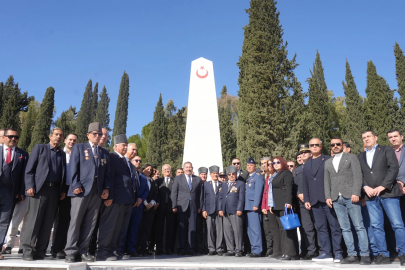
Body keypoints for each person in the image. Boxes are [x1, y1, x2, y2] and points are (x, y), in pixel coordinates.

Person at [64, 122, 111, 263]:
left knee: (90, 222)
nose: (97, 136)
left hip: (97, 190)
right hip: (81, 190)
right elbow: (73, 167)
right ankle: (71, 252)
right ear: (88, 135)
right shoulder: (79, 147)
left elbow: (107, 173)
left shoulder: (104, 152)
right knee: (76, 221)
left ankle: (83, 251)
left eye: (100, 134)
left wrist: (106, 188)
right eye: (95, 134)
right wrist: (75, 184)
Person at [358, 130, 405, 265]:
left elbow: (393, 168)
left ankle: (403, 253)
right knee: (376, 226)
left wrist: (383, 186)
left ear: (375, 137)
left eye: (368, 136)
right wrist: (365, 187)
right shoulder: (360, 156)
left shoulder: (386, 150)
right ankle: (383, 254)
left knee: (397, 224)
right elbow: (359, 175)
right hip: (370, 196)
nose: (366, 139)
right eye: (364, 138)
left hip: (388, 193)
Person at [22, 128, 66, 261]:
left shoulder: (62, 154)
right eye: (56, 134)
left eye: (60, 135)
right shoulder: (40, 148)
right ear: (50, 136)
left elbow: (63, 174)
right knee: (34, 221)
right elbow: (29, 170)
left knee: (47, 223)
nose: (58, 137)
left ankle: (40, 251)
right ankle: (28, 251)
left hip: (54, 191)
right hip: (39, 189)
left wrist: (63, 190)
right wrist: (30, 185)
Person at [324, 137, 370, 264]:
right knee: (345, 228)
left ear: (342, 145)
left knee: (359, 226)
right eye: (333, 144)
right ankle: (352, 255)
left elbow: (357, 176)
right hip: (336, 198)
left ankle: (365, 254)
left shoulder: (351, 157)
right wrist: (328, 196)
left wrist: (356, 192)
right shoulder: (328, 162)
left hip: (351, 196)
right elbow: (326, 181)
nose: (335, 146)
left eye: (338, 144)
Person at [95, 135, 137, 261]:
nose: (125, 147)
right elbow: (110, 177)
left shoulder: (125, 160)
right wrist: (110, 195)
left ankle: (113, 251)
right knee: (108, 226)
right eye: (123, 145)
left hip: (124, 200)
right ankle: (102, 251)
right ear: (116, 146)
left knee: (118, 228)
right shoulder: (112, 157)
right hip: (114, 199)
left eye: (126, 145)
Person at [302, 138, 342, 262]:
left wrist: (332, 195)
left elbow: (334, 180)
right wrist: (307, 199)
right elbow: (305, 183)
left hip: (328, 199)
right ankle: (326, 252)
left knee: (334, 226)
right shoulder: (307, 163)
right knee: (321, 227)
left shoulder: (328, 159)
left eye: (316, 145)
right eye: (312, 145)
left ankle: (338, 253)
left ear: (321, 146)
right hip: (314, 201)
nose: (314, 147)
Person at [0, 129, 28, 260]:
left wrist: (22, 192)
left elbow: (24, 175)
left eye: (16, 137)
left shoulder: (22, 154)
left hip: (10, 194)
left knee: (4, 223)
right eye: (10, 136)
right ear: (4, 137)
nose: (13, 139)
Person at [49, 133, 78, 259]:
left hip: (74, 189)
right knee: (58, 220)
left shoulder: (78, 155)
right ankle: (55, 248)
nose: (72, 142)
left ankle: (64, 248)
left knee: (69, 220)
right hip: (60, 189)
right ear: (65, 140)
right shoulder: (60, 153)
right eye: (70, 139)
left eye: (75, 140)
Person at [264, 157, 297, 260]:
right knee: (281, 230)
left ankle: (290, 253)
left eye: (278, 162)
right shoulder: (277, 174)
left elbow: (288, 188)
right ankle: (283, 251)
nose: (275, 164)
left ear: (282, 162)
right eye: (273, 163)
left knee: (287, 229)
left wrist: (288, 202)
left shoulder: (286, 173)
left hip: (284, 204)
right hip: (276, 205)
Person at [292, 144, 318, 260]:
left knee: (319, 226)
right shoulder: (297, 170)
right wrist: (298, 193)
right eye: (301, 153)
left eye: (305, 152)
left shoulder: (315, 165)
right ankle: (311, 250)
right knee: (307, 228)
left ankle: (322, 250)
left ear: (310, 153)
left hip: (315, 200)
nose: (303, 155)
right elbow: (295, 185)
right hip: (302, 202)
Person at [171, 161, 202, 255]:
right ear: (183, 169)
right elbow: (174, 193)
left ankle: (191, 248)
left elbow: (200, 194)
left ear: (192, 168)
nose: (188, 169)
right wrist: (174, 205)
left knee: (192, 228)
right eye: (186, 167)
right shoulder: (178, 178)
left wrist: (200, 206)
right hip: (181, 207)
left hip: (193, 207)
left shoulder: (197, 179)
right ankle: (181, 248)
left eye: (190, 167)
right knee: (182, 228)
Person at [123, 155, 149, 259]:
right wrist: (133, 199)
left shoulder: (143, 177)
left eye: (140, 160)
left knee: (134, 229)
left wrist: (140, 199)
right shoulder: (128, 173)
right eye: (136, 160)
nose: (138, 162)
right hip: (129, 204)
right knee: (125, 228)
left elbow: (146, 190)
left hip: (138, 207)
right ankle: (121, 249)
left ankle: (131, 249)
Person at [219, 165, 245, 257]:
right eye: (229, 174)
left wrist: (239, 208)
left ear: (236, 174)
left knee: (237, 231)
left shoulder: (240, 183)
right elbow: (221, 197)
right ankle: (230, 249)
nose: (231, 176)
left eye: (233, 174)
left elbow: (241, 198)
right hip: (226, 210)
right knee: (227, 231)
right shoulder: (224, 184)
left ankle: (238, 250)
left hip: (235, 210)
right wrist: (220, 209)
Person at [136, 164, 159, 256]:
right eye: (147, 169)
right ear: (143, 169)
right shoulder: (141, 178)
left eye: (150, 170)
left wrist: (151, 203)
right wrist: (145, 203)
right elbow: (141, 192)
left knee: (147, 229)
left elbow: (154, 194)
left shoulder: (152, 181)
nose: (149, 171)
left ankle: (143, 248)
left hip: (150, 208)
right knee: (139, 228)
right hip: (141, 206)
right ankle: (136, 248)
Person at [155, 164, 176, 255]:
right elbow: (155, 193)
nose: (167, 171)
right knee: (159, 229)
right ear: (162, 171)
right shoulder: (158, 181)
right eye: (165, 169)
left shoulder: (175, 181)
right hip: (160, 208)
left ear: (171, 171)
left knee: (170, 229)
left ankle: (168, 248)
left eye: (169, 169)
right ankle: (159, 248)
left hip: (171, 208)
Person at [244, 157, 264, 258]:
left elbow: (258, 192)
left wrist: (256, 204)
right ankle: (254, 249)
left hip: (253, 207)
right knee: (250, 229)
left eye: (251, 165)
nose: (249, 167)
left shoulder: (258, 177)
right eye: (248, 165)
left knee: (255, 229)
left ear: (255, 166)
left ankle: (257, 250)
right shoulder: (249, 177)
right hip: (247, 206)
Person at [202, 165, 224, 256]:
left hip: (219, 211)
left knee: (219, 230)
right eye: (213, 173)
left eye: (216, 173)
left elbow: (224, 198)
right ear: (210, 174)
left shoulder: (223, 184)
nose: (215, 175)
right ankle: (211, 248)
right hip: (209, 210)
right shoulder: (206, 184)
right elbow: (203, 198)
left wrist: (222, 209)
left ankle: (219, 248)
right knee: (210, 230)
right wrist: (204, 210)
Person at [387, 129, 405, 225]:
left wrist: (403, 181)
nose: (393, 139)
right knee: (398, 221)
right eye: (390, 137)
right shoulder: (387, 153)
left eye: (395, 136)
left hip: (404, 187)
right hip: (393, 191)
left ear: (401, 137)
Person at [261, 160, 275, 257]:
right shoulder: (267, 179)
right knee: (267, 231)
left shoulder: (276, 177)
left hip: (273, 208)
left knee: (274, 230)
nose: (268, 166)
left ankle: (275, 249)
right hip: (266, 208)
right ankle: (270, 249)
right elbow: (265, 194)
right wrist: (263, 207)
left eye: (270, 164)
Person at [196, 167, 208, 254]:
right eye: (202, 174)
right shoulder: (196, 184)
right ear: (199, 175)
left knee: (207, 230)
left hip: (207, 211)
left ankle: (206, 247)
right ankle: (199, 247)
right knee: (199, 230)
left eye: (205, 174)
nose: (203, 176)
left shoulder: (209, 184)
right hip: (198, 210)